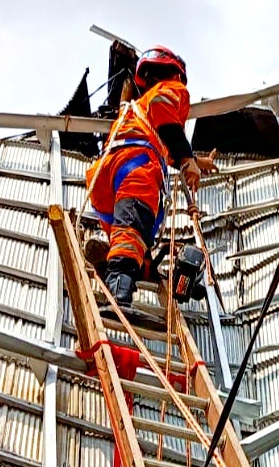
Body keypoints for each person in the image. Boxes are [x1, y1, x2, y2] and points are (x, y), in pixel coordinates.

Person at [82, 45, 217, 308]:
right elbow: (165, 116)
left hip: (106, 176)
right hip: (136, 170)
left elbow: (164, 145)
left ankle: (123, 266)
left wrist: (195, 160)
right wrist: (188, 160)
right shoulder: (172, 90)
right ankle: (119, 292)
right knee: (131, 233)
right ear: (176, 74)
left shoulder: (136, 111)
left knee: (131, 235)